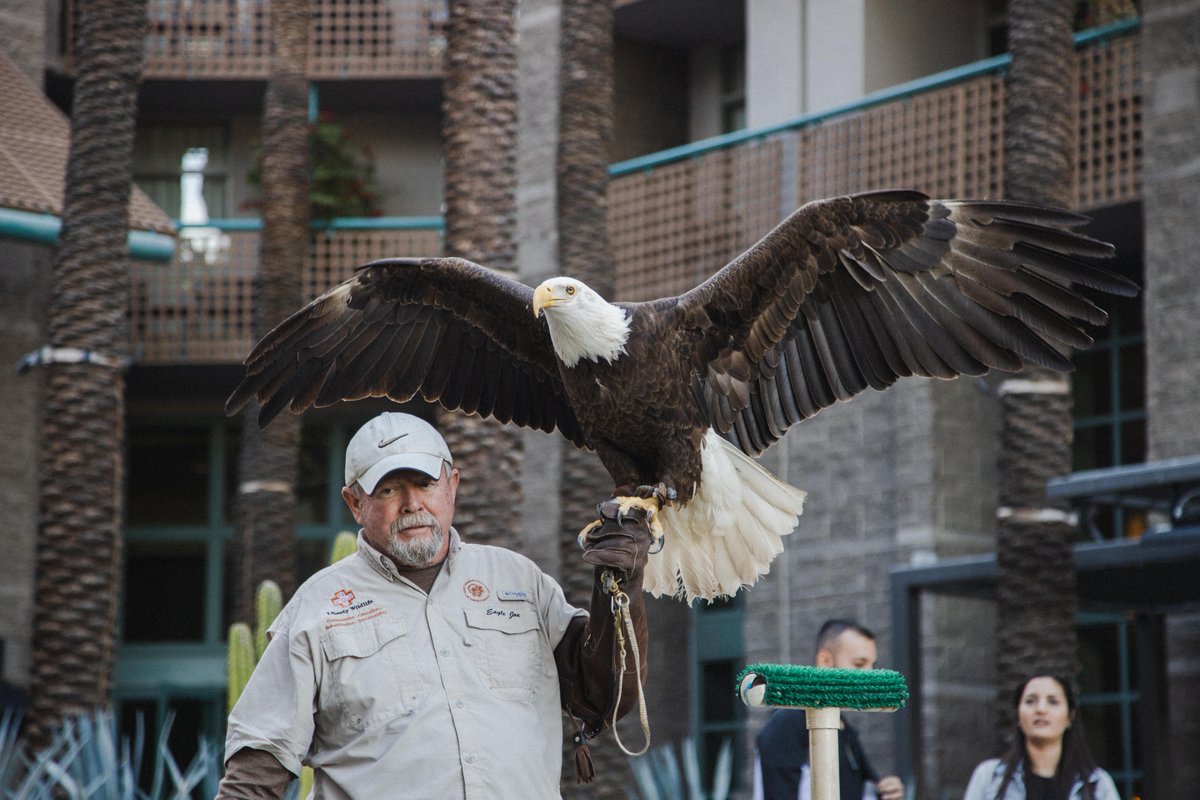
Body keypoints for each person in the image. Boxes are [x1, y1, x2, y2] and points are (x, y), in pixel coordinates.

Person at [215, 412, 653, 799]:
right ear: (354, 503)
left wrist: (620, 585)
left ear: (452, 485)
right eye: (388, 490)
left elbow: (604, 694)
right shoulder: (317, 608)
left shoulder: (519, 580)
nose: (412, 505)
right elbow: (257, 771)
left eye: (425, 483)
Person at [753, 620, 905, 800]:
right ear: (825, 661)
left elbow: (865, 789)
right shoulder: (788, 722)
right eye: (859, 664)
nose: (869, 675)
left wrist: (889, 791)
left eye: (872, 665)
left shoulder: (844, 727)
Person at [962, 673, 1120, 800]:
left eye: (1053, 701)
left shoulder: (1097, 784)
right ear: (1018, 715)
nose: (1041, 709)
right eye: (1031, 701)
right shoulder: (990, 778)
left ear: (1070, 716)